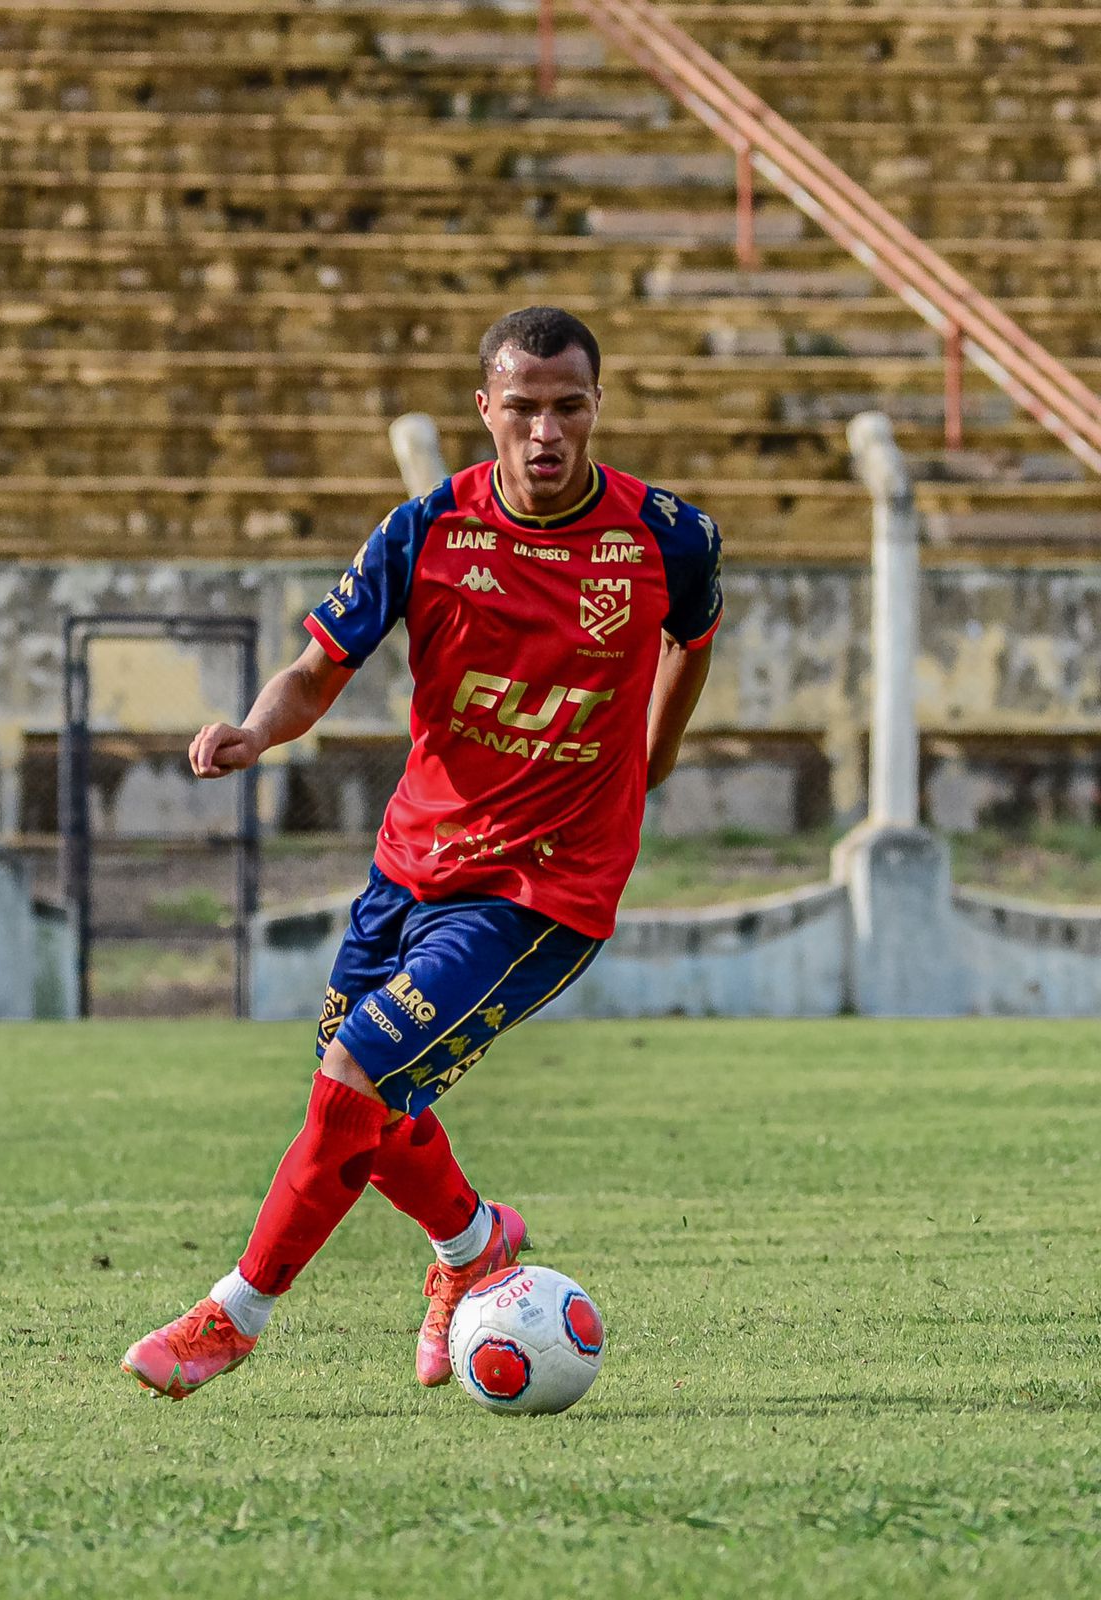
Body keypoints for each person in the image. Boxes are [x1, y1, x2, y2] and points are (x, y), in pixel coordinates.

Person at [122, 306, 723, 1400]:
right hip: (410, 866)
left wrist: (653, 755)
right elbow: (317, 668)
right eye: (524, 408)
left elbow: (693, 634)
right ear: (485, 408)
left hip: (542, 887)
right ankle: (473, 1245)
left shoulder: (667, 536)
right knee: (361, 1102)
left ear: (597, 407)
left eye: (568, 407)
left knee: (354, 1076)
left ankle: (233, 1315)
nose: (546, 432)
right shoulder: (427, 530)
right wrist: (257, 729)